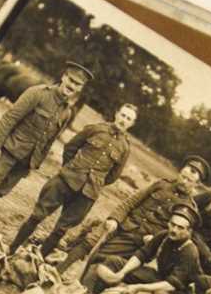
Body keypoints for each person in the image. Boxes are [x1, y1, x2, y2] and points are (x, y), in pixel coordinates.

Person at [0, 62, 89, 230]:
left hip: (24, 163)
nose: (72, 85)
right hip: (7, 152)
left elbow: (49, 140)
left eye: (77, 84)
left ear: (80, 88)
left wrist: (35, 163)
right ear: (64, 77)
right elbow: (10, 118)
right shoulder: (38, 93)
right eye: (70, 80)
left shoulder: (66, 112)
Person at [10, 102, 137, 254]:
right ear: (117, 114)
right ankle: (12, 249)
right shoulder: (95, 129)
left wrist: (96, 181)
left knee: (61, 230)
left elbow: (113, 176)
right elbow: (70, 147)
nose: (124, 120)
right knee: (37, 216)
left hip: (87, 194)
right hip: (66, 180)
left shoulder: (125, 148)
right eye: (123, 115)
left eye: (128, 118)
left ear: (132, 123)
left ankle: (39, 261)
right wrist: (71, 168)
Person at [82, 202, 204, 294]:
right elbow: (142, 254)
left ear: (189, 231)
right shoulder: (164, 236)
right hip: (160, 277)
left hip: (179, 291)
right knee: (114, 262)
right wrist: (122, 272)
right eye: (172, 224)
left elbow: (172, 284)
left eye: (180, 228)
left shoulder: (190, 252)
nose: (174, 230)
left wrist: (138, 287)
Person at [59, 154, 211, 274]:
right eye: (184, 175)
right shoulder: (161, 184)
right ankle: (58, 272)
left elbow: (174, 233)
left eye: (190, 178)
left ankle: (79, 285)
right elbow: (131, 202)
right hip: (124, 223)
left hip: (139, 239)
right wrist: (114, 219)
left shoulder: (187, 207)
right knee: (90, 241)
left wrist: (155, 240)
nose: (184, 180)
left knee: (101, 255)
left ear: (196, 184)